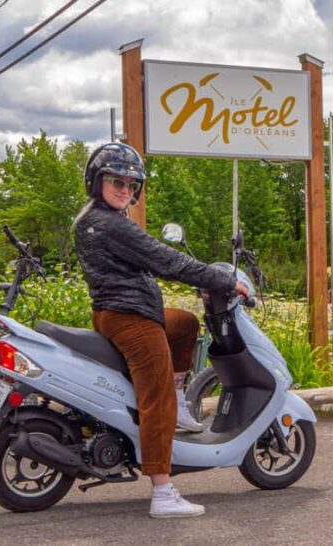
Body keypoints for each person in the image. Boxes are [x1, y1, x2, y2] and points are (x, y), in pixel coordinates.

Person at [73, 142, 250, 518]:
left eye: (131, 184)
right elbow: (163, 258)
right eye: (116, 181)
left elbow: (149, 262)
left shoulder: (95, 218)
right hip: (130, 318)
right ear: (96, 181)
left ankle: (179, 393)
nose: (125, 189)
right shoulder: (108, 224)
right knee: (157, 401)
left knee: (184, 323)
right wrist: (222, 279)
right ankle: (163, 491)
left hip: (120, 310)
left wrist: (202, 282)